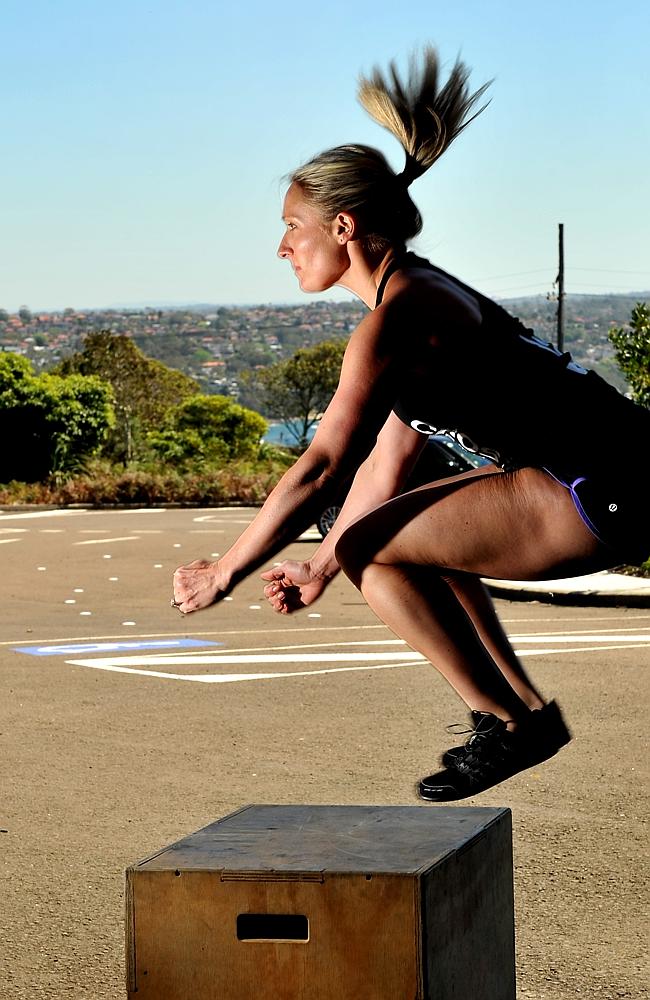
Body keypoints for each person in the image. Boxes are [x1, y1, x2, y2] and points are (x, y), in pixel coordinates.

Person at [172, 48, 649, 801]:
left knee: (373, 544)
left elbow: (322, 462)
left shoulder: (400, 317)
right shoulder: (421, 297)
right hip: (606, 474)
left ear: (343, 224)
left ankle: (515, 720)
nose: (283, 245)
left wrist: (225, 569)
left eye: (293, 226)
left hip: (601, 485)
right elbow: (385, 465)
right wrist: (319, 568)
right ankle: (515, 716)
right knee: (380, 522)